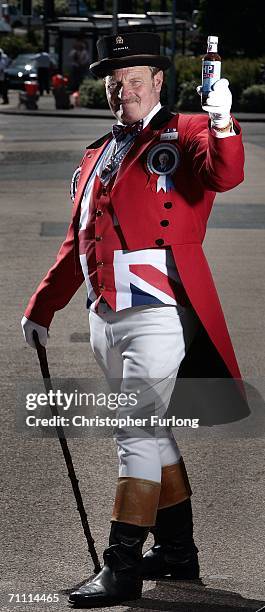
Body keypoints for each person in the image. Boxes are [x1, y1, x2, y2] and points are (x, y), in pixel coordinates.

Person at [21, 32, 248, 607]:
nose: (121, 87)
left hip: (159, 310)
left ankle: (120, 565)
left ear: (158, 82)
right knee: (153, 432)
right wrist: (44, 305)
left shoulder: (189, 132)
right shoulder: (97, 152)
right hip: (105, 313)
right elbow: (80, 239)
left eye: (133, 77)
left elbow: (224, 174)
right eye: (113, 78)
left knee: (134, 432)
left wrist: (223, 124)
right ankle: (177, 554)